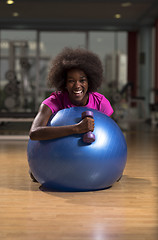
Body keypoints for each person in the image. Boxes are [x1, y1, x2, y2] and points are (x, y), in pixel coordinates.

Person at [29, 47, 113, 142]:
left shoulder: (101, 103)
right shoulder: (54, 101)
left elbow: (111, 134)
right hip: (58, 155)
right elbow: (34, 133)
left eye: (82, 80)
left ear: (89, 82)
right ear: (64, 83)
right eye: (71, 81)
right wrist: (76, 129)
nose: (77, 86)